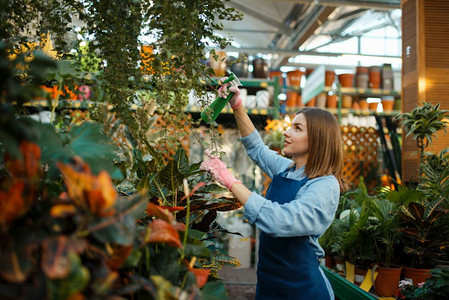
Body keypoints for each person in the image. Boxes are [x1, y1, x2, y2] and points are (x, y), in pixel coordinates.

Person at [200, 80, 346, 300]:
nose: (287, 133)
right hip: (269, 283)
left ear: (318, 138)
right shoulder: (288, 169)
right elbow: (257, 148)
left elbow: (281, 220)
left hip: (303, 290)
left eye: (297, 128)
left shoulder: (324, 185)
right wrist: (237, 105)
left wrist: (229, 180)